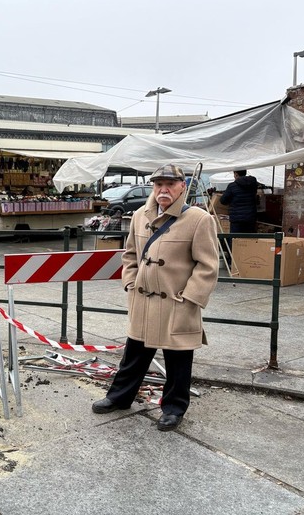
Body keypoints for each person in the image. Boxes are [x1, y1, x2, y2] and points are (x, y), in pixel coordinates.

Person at [91, 164, 219, 432]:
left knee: (178, 360)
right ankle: (119, 397)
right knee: (134, 354)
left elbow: (208, 266)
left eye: (170, 184)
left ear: (182, 187)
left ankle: (173, 409)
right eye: (159, 184)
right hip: (144, 300)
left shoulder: (199, 219)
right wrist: (130, 282)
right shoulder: (140, 215)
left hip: (177, 302)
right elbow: (129, 254)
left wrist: (190, 299)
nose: (164, 189)